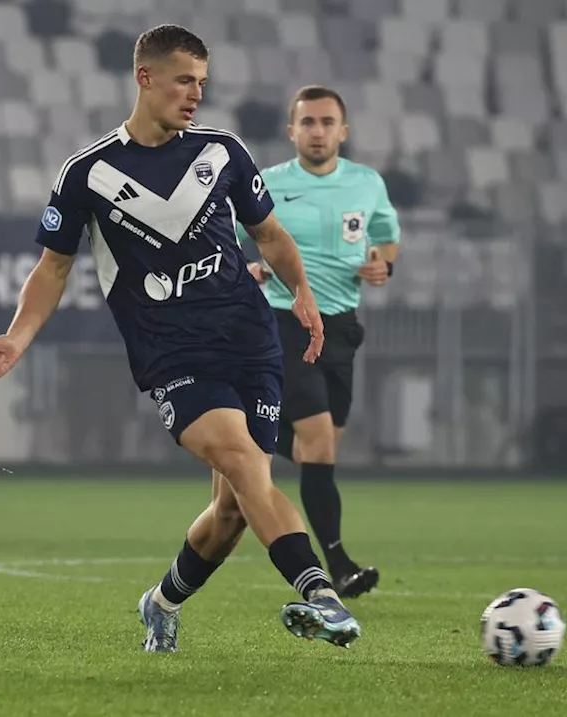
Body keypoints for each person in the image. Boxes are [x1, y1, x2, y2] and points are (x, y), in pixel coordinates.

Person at [0, 25, 362, 653]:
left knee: (234, 509)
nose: (195, 95)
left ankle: (161, 602)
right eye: (184, 80)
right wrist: (18, 338)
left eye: (202, 83)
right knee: (241, 461)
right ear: (144, 78)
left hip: (250, 342)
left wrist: (304, 293)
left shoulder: (223, 152)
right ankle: (322, 595)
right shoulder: (89, 174)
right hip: (173, 357)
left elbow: (269, 236)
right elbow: (54, 267)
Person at [242, 85, 399, 598]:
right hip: (284, 321)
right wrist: (248, 267)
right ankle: (339, 563)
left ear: (342, 131)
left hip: (342, 325)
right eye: (307, 122)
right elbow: (238, 236)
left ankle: (248, 437)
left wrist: (384, 262)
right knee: (318, 441)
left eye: (326, 122)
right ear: (291, 131)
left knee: (325, 445)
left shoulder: (366, 183)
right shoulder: (267, 183)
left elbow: (385, 233)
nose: (317, 131)